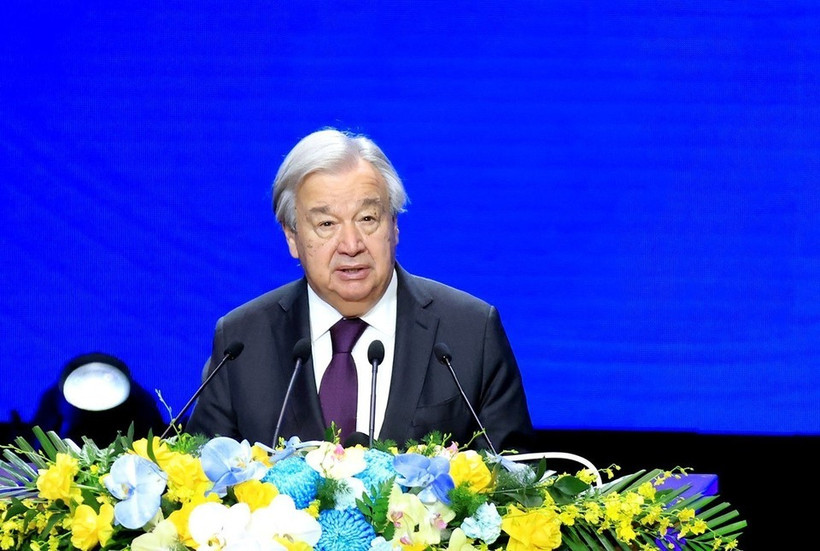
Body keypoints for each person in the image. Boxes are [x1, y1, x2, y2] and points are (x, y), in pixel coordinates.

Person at [186, 128, 533, 451]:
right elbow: (199, 490)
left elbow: (515, 487)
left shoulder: (470, 332)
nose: (351, 244)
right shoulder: (242, 341)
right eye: (326, 224)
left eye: (368, 219)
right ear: (292, 237)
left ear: (394, 226)